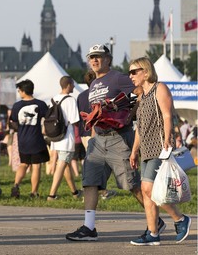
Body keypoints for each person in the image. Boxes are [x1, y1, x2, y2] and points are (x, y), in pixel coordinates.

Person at [65, 44, 148, 241]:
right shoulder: (94, 83)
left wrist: (130, 114)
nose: (94, 60)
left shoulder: (118, 77)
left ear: (108, 59)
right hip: (98, 140)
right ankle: (89, 227)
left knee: (131, 184)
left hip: (118, 138)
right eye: (92, 57)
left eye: (99, 57)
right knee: (90, 181)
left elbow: (142, 91)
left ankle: (155, 222)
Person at [128, 57, 191, 246]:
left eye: (134, 72)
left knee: (149, 189)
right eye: (129, 72)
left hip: (159, 147)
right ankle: (153, 233)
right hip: (146, 149)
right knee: (147, 193)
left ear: (145, 72)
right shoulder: (142, 96)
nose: (130, 76)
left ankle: (180, 219)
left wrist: (167, 138)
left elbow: (167, 114)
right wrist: (134, 151)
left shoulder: (159, 88)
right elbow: (140, 127)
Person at [76, 70, 117, 201]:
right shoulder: (98, 95)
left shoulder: (80, 96)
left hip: (84, 132)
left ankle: (93, 190)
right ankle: (98, 190)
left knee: (90, 161)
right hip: (97, 131)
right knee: (100, 163)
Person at [9, 79, 49, 198]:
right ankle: (34, 192)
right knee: (36, 166)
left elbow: (13, 121)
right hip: (36, 139)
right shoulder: (40, 104)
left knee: (24, 163)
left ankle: (16, 185)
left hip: (22, 139)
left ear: (22, 91)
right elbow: (47, 118)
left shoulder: (17, 106)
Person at [46, 76, 82, 201]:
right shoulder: (70, 100)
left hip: (56, 136)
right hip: (66, 137)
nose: (73, 87)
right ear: (68, 85)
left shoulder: (53, 99)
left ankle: (75, 192)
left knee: (65, 164)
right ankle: (52, 194)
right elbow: (75, 121)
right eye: (72, 84)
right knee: (62, 164)